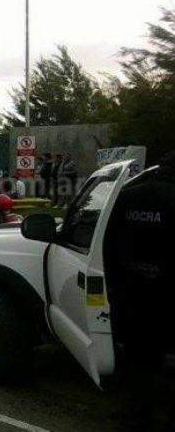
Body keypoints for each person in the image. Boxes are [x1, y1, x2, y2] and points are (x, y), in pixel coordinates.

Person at [104, 151, 175, 428]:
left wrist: (113, 280)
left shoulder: (128, 196)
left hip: (131, 292)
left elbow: (106, 242)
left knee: (137, 359)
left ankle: (136, 415)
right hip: (168, 296)